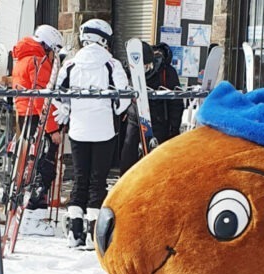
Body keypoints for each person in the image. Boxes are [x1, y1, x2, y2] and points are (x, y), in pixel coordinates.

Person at [53, 18, 130, 248]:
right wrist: (114, 110)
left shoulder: (71, 64)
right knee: (98, 180)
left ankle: (75, 231)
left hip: (78, 128)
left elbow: (58, 93)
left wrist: (68, 109)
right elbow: (124, 96)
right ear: (105, 39)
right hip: (104, 129)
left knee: (79, 178)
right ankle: (95, 232)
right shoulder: (111, 64)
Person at [10, 24, 65, 236]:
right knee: (44, 165)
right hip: (38, 116)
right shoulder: (38, 61)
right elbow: (45, 97)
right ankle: (34, 213)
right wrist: (53, 130)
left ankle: (26, 211)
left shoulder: (23, 58)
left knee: (29, 163)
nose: (53, 57)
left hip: (24, 115)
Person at [119, 41, 184, 174]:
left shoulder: (166, 72)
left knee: (156, 161)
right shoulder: (127, 70)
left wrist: (174, 128)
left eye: (145, 67)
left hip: (159, 120)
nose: (142, 70)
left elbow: (176, 102)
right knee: (128, 157)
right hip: (135, 118)